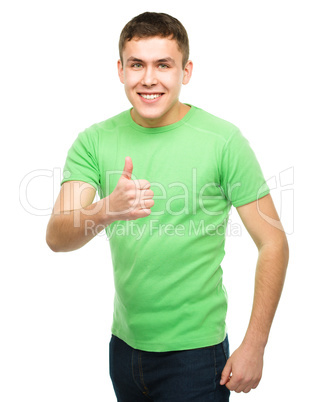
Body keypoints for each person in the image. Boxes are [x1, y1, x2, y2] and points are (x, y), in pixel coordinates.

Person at [46, 11, 289, 402]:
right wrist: (107, 209)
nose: (149, 78)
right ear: (120, 69)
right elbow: (58, 236)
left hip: (196, 357)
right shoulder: (94, 141)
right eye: (137, 64)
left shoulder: (223, 141)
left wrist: (255, 345)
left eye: (164, 64)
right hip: (124, 349)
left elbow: (273, 242)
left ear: (185, 71)